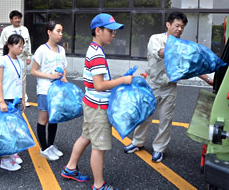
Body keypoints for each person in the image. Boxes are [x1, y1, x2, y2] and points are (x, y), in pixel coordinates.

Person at [124, 11, 213, 162]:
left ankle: (159, 149)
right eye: (177, 25)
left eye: (182, 27)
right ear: (168, 25)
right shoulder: (156, 39)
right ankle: (137, 143)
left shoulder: (181, 46)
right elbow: (160, 53)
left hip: (169, 88)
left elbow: (190, 66)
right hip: (152, 85)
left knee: (165, 120)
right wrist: (180, 50)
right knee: (145, 116)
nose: (180, 29)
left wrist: (208, 80)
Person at [60, 13, 133, 190]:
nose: (114, 34)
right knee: (98, 147)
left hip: (91, 103)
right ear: (98, 31)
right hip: (98, 107)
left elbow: (96, 83)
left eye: (115, 31)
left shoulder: (94, 49)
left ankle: (70, 168)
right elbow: (99, 85)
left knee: (86, 136)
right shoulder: (98, 55)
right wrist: (123, 80)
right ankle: (99, 185)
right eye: (110, 30)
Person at [30, 21, 67, 161]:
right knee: (43, 119)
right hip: (45, 90)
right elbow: (33, 71)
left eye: (61, 31)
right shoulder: (41, 50)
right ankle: (44, 148)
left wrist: (63, 75)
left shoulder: (61, 50)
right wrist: (50, 76)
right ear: (49, 32)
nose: (60, 34)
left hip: (58, 90)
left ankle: (51, 146)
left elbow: (64, 67)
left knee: (54, 118)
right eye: (58, 31)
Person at [0, 34, 26, 171]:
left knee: (15, 129)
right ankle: (4, 159)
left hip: (17, 99)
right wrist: (1, 100)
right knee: (5, 130)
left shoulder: (20, 62)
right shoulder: (2, 60)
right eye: (18, 45)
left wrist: (23, 98)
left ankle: (12, 152)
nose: (21, 48)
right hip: (6, 100)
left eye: (22, 46)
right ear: (9, 46)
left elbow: (22, 82)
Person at [0, 10, 32, 107]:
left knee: (22, 79)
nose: (18, 20)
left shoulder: (24, 29)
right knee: (7, 79)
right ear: (11, 20)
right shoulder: (6, 30)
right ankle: (2, 97)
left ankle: (23, 98)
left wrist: (29, 55)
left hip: (21, 58)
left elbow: (28, 44)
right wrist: (3, 59)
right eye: (15, 18)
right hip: (9, 59)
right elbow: (1, 45)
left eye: (19, 18)